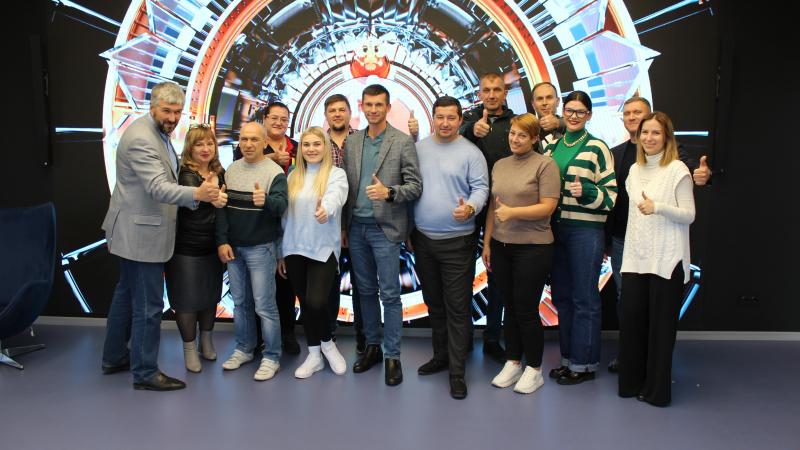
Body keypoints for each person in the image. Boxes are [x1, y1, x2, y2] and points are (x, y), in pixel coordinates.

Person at [101, 81, 221, 391]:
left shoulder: (157, 133)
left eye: (177, 112)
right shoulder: (142, 139)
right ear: (152, 107)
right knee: (148, 306)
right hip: (141, 235)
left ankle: (114, 356)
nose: (172, 117)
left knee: (126, 296)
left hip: (135, 231)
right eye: (167, 111)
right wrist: (198, 193)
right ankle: (145, 372)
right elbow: (157, 187)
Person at [606, 96, 704, 373]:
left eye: (638, 113)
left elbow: (688, 176)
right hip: (626, 244)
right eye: (627, 113)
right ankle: (631, 360)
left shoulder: (675, 161)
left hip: (662, 250)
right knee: (629, 307)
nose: (632, 117)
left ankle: (652, 365)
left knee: (657, 311)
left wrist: (701, 174)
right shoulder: (621, 156)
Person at [343, 84, 422, 386]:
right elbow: (345, 186)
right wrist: (343, 227)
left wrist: (389, 192)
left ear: (388, 108)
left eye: (379, 105)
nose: (373, 109)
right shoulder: (352, 142)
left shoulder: (402, 142)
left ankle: (392, 356)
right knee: (364, 291)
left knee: (389, 294)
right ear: (361, 106)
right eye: (369, 104)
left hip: (385, 229)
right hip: (356, 228)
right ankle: (373, 347)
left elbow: (415, 186)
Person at [411, 96, 489, 399]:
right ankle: (441, 356)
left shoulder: (471, 153)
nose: (445, 123)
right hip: (423, 240)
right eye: (440, 117)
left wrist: (470, 207)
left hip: (458, 242)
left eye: (451, 118)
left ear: (460, 120)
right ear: (433, 118)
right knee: (435, 304)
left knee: (457, 308)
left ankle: (457, 373)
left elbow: (481, 188)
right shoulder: (418, 149)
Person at [618, 111, 695, 407]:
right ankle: (632, 384)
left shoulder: (677, 170)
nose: (649, 138)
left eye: (656, 133)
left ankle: (656, 391)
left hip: (667, 259)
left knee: (661, 331)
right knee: (632, 326)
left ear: (667, 138)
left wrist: (659, 207)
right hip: (636, 258)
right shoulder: (634, 170)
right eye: (645, 132)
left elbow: (689, 215)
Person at [483, 113, 560, 394]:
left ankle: (534, 369)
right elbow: (494, 208)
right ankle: (513, 361)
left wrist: (513, 213)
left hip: (533, 247)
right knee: (510, 307)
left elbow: (548, 207)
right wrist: (487, 243)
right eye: (512, 133)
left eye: (522, 135)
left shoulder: (545, 165)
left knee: (526, 309)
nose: (515, 139)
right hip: (501, 247)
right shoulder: (500, 165)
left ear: (535, 138)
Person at [545, 90, 617, 385]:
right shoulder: (551, 146)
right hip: (556, 229)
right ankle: (568, 360)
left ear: (589, 115)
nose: (574, 116)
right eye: (569, 111)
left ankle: (584, 364)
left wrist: (586, 191)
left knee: (584, 298)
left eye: (580, 112)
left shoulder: (598, 148)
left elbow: (610, 197)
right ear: (563, 112)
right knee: (562, 297)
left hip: (586, 231)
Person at [216, 121, 288, 381]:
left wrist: (265, 200)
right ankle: (244, 349)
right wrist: (222, 241)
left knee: (264, 306)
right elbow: (222, 210)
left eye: (254, 139)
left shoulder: (274, 172)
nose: (248, 144)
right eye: (244, 139)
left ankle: (272, 357)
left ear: (264, 141)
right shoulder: (232, 170)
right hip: (233, 249)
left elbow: (282, 206)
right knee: (240, 303)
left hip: (261, 249)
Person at [277, 127, 349, 378]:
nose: (311, 149)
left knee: (317, 302)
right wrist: (281, 251)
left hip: (323, 249)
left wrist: (325, 209)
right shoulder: (293, 176)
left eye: (317, 144)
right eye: (306, 144)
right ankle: (314, 354)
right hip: (294, 248)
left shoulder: (336, 174)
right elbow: (285, 217)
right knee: (306, 304)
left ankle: (328, 345)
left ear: (325, 147)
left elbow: (336, 197)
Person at [233, 102, 301, 355]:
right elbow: (244, 165)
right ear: (264, 118)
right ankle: (259, 338)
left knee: (285, 281)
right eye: (274, 118)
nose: (279, 123)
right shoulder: (248, 147)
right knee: (256, 291)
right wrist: (272, 158)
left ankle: (287, 333)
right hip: (257, 225)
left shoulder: (297, 147)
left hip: (290, 220)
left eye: (284, 119)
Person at [459, 72, 516, 363]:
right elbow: (453, 136)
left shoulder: (516, 122)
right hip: (470, 206)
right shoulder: (469, 120)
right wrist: (472, 130)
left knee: (498, 276)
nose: (492, 95)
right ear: (479, 93)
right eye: (486, 90)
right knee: (462, 274)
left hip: (504, 207)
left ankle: (493, 338)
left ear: (505, 93)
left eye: (497, 90)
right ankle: (463, 337)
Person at [165, 124, 227, 373]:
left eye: (209, 143)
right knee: (187, 301)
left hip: (212, 248)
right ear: (190, 148)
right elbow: (196, 205)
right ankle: (189, 349)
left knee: (210, 297)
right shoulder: (184, 175)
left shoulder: (219, 172)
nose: (205, 148)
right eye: (199, 144)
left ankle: (206, 341)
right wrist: (213, 198)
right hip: (186, 249)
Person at [323, 94, 364, 352]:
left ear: (350, 113)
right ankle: (328, 335)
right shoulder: (317, 142)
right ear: (326, 115)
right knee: (328, 282)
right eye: (332, 110)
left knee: (363, 283)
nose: (337, 114)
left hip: (359, 222)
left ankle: (364, 337)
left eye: (341, 109)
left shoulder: (362, 139)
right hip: (326, 225)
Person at [529, 81, 565, 153]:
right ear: (533, 104)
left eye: (549, 98)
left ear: (557, 101)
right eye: (540, 99)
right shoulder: (528, 131)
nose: (544, 103)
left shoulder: (571, 125)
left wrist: (558, 123)